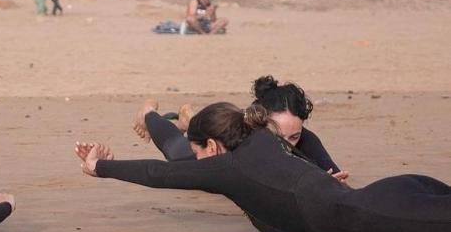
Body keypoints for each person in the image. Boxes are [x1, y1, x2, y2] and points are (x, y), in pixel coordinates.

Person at [75, 103, 451, 232]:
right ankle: (161, 114)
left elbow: (161, 173)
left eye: (200, 152)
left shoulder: (228, 168)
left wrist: (99, 168)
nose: (198, 162)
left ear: (211, 145)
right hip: (398, 191)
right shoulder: (263, 138)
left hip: (385, 215)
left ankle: (162, 114)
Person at [134, 75, 345, 178]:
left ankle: (188, 120)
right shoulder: (239, 135)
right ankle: (149, 112)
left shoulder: (306, 139)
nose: (286, 144)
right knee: (176, 151)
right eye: (277, 134)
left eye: (294, 137)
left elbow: (332, 174)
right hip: (217, 139)